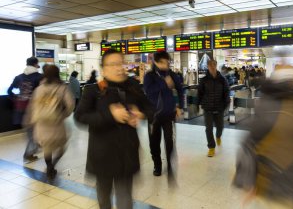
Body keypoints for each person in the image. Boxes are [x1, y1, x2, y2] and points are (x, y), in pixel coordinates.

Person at [235, 65, 293, 209]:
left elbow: (249, 143)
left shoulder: (266, 104)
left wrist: (248, 180)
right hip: (292, 180)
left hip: (269, 177)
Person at [74, 49, 152, 209]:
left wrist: (141, 114)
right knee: (104, 198)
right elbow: (80, 117)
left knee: (125, 199)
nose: (118, 68)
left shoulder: (133, 87)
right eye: (113, 64)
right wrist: (110, 114)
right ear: (103, 69)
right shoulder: (93, 91)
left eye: (120, 63)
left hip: (127, 154)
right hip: (102, 156)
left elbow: (150, 108)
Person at [27, 65, 74, 179]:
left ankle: (49, 167)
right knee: (62, 147)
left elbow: (33, 106)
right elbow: (71, 105)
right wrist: (63, 115)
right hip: (57, 124)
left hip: (42, 125)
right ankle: (52, 166)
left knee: (47, 148)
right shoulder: (62, 88)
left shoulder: (39, 89)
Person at [143, 51, 184, 177]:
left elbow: (180, 90)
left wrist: (179, 106)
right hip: (153, 116)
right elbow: (148, 91)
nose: (166, 64)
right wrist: (164, 83)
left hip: (168, 115)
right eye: (163, 62)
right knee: (154, 143)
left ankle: (170, 164)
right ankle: (157, 165)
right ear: (156, 62)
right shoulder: (149, 76)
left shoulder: (171, 74)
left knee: (169, 142)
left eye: (168, 62)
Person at [8, 57, 43, 162]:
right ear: (36, 64)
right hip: (34, 108)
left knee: (31, 131)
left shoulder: (19, 77)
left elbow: (10, 91)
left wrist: (17, 99)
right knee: (33, 133)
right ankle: (28, 154)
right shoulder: (39, 77)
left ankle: (33, 149)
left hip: (20, 107)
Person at [197, 60, 230, 157]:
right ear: (207, 66)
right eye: (210, 65)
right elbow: (200, 93)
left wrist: (226, 104)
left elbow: (226, 92)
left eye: (213, 65)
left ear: (216, 66)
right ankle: (211, 147)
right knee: (208, 128)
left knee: (220, 127)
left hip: (219, 107)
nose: (212, 67)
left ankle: (218, 136)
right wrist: (199, 104)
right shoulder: (204, 80)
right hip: (208, 108)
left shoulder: (222, 79)